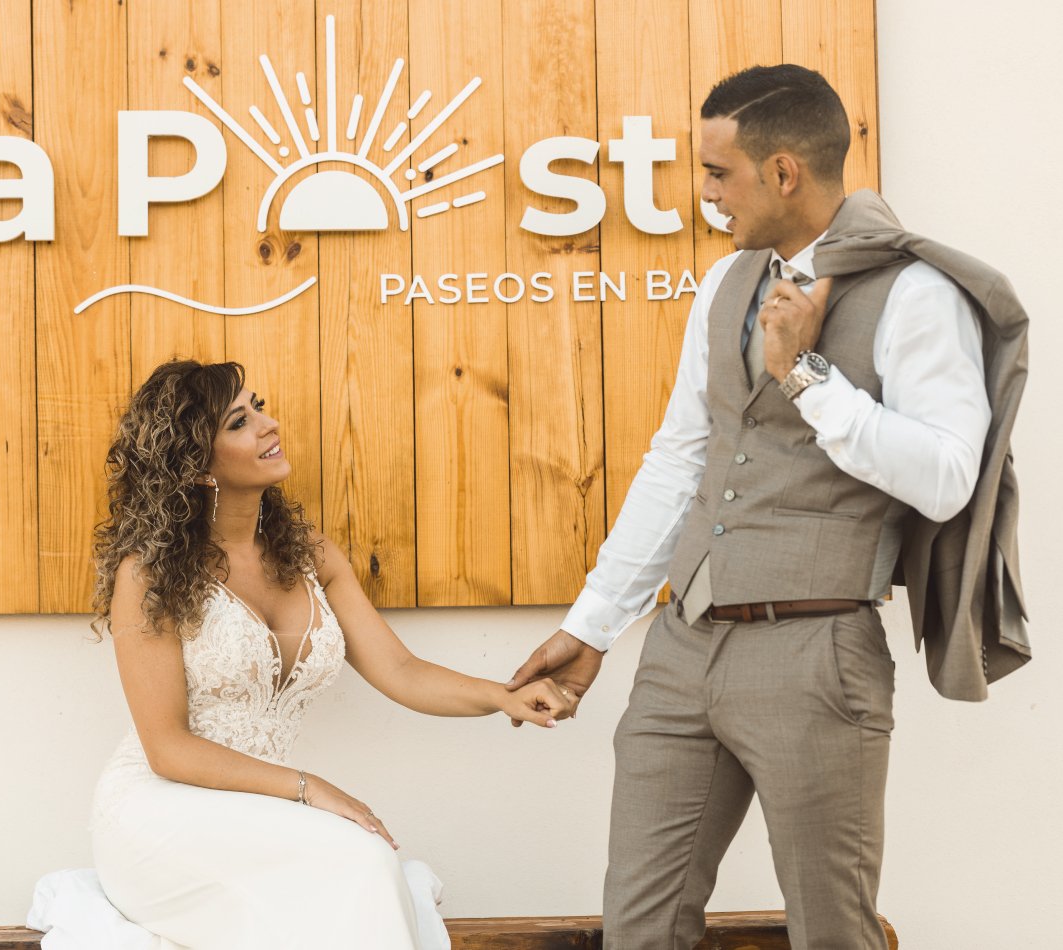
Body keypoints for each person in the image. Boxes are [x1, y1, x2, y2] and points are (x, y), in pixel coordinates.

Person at [508, 64, 1028, 949]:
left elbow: (948, 474)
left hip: (816, 653)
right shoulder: (723, 287)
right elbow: (680, 463)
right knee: (638, 926)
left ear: (782, 170)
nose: (704, 194)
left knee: (830, 930)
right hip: (683, 647)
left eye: (717, 173)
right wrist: (593, 626)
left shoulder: (916, 292)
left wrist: (805, 373)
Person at [87, 358, 574, 950]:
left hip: (260, 814)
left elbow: (400, 670)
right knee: (362, 862)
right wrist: (309, 789)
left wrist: (504, 697)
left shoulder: (309, 554)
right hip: (158, 816)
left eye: (259, 406)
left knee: (364, 866)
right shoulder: (150, 574)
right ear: (199, 466)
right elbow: (167, 748)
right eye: (240, 422)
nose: (269, 425)